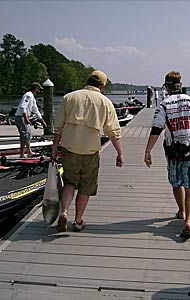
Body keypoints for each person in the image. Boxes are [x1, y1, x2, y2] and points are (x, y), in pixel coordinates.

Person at [52, 70, 124, 233]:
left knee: (70, 183)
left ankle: (64, 212)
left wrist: (54, 149)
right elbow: (113, 132)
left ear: (87, 81)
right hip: (90, 152)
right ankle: (77, 221)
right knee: (85, 188)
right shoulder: (105, 102)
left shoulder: (69, 98)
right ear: (102, 86)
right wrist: (119, 153)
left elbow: (58, 128)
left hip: (69, 149)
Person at [144, 71, 190, 239]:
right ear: (180, 84)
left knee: (176, 183)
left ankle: (181, 211)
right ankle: (188, 221)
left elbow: (156, 129)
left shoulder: (164, 105)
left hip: (173, 152)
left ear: (166, 87)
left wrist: (148, 151)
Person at [15, 82, 47, 158]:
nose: (39, 91)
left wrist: (42, 121)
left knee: (28, 134)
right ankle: (22, 154)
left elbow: (35, 110)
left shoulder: (32, 97)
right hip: (21, 117)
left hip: (23, 117)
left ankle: (29, 151)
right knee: (24, 135)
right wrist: (26, 118)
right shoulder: (28, 95)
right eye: (39, 89)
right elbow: (23, 106)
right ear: (36, 88)